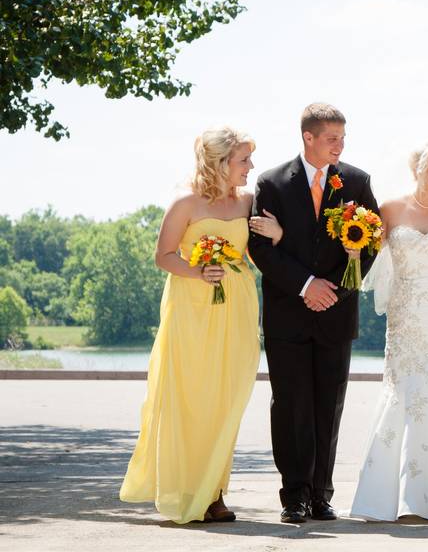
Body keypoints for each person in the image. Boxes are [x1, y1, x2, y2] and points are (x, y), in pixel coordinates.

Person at [119, 127, 262, 524]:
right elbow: (163, 256)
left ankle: (215, 491)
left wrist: (278, 234)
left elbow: (261, 250)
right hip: (192, 307)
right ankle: (187, 489)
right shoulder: (185, 201)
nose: (251, 167)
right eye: (243, 160)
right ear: (220, 163)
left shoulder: (248, 201)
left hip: (237, 303)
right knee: (192, 396)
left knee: (227, 397)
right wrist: (197, 271)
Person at [248, 103, 378, 524]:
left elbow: (371, 243)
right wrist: (306, 285)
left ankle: (321, 495)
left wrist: (334, 291)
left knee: (328, 406)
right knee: (290, 406)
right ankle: (294, 496)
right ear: (308, 137)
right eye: (332, 138)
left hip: (336, 312)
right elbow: (261, 248)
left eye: (343, 137)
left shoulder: (356, 181)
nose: (341, 145)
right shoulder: (270, 183)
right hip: (288, 314)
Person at [348, 144, 428, 521]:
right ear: (420, 167)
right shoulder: (389, 209)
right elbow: (365, 258)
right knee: (405, 396)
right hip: (406, 317)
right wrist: (354, 252)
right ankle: (402, 498)